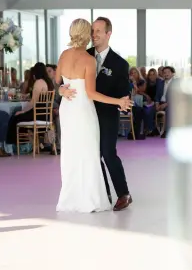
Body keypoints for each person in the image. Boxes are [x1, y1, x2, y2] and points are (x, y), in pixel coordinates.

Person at [55, 18, 133, 213]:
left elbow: (124, 91)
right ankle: (102, 194)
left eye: (98, 31)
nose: (94, 35)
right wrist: (61, 90)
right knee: (91, 155)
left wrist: (123, 103)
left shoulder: (120, 63)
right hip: (84, 113)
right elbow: (61, 83)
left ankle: (123, 193)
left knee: (108, 153)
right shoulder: (84, 55)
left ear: (108, 34)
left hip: (106, 114)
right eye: (92, 31)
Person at [7, 62, 54, 151]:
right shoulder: (48, 82)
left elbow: (33, 102)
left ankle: (12, 146)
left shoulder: (38, 82)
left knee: (15, 117)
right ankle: (32, 145)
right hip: (46, 115)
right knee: (17, 116)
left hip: (37, 114)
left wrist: (23, 111)